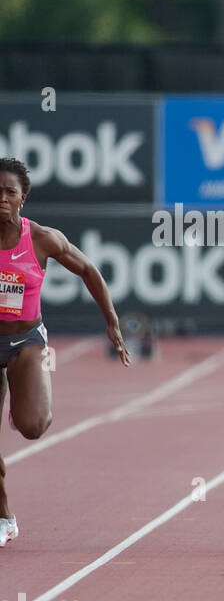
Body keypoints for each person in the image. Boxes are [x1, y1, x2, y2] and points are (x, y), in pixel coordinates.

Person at [0, 156, 131, 547]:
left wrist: (111, 320)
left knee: (33, 426)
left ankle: (20, 397)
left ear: (23, 198)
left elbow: (89, 270)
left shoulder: (41, 239)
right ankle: (4, 516)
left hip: (25, 341)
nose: (1, 199)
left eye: (9, 192)